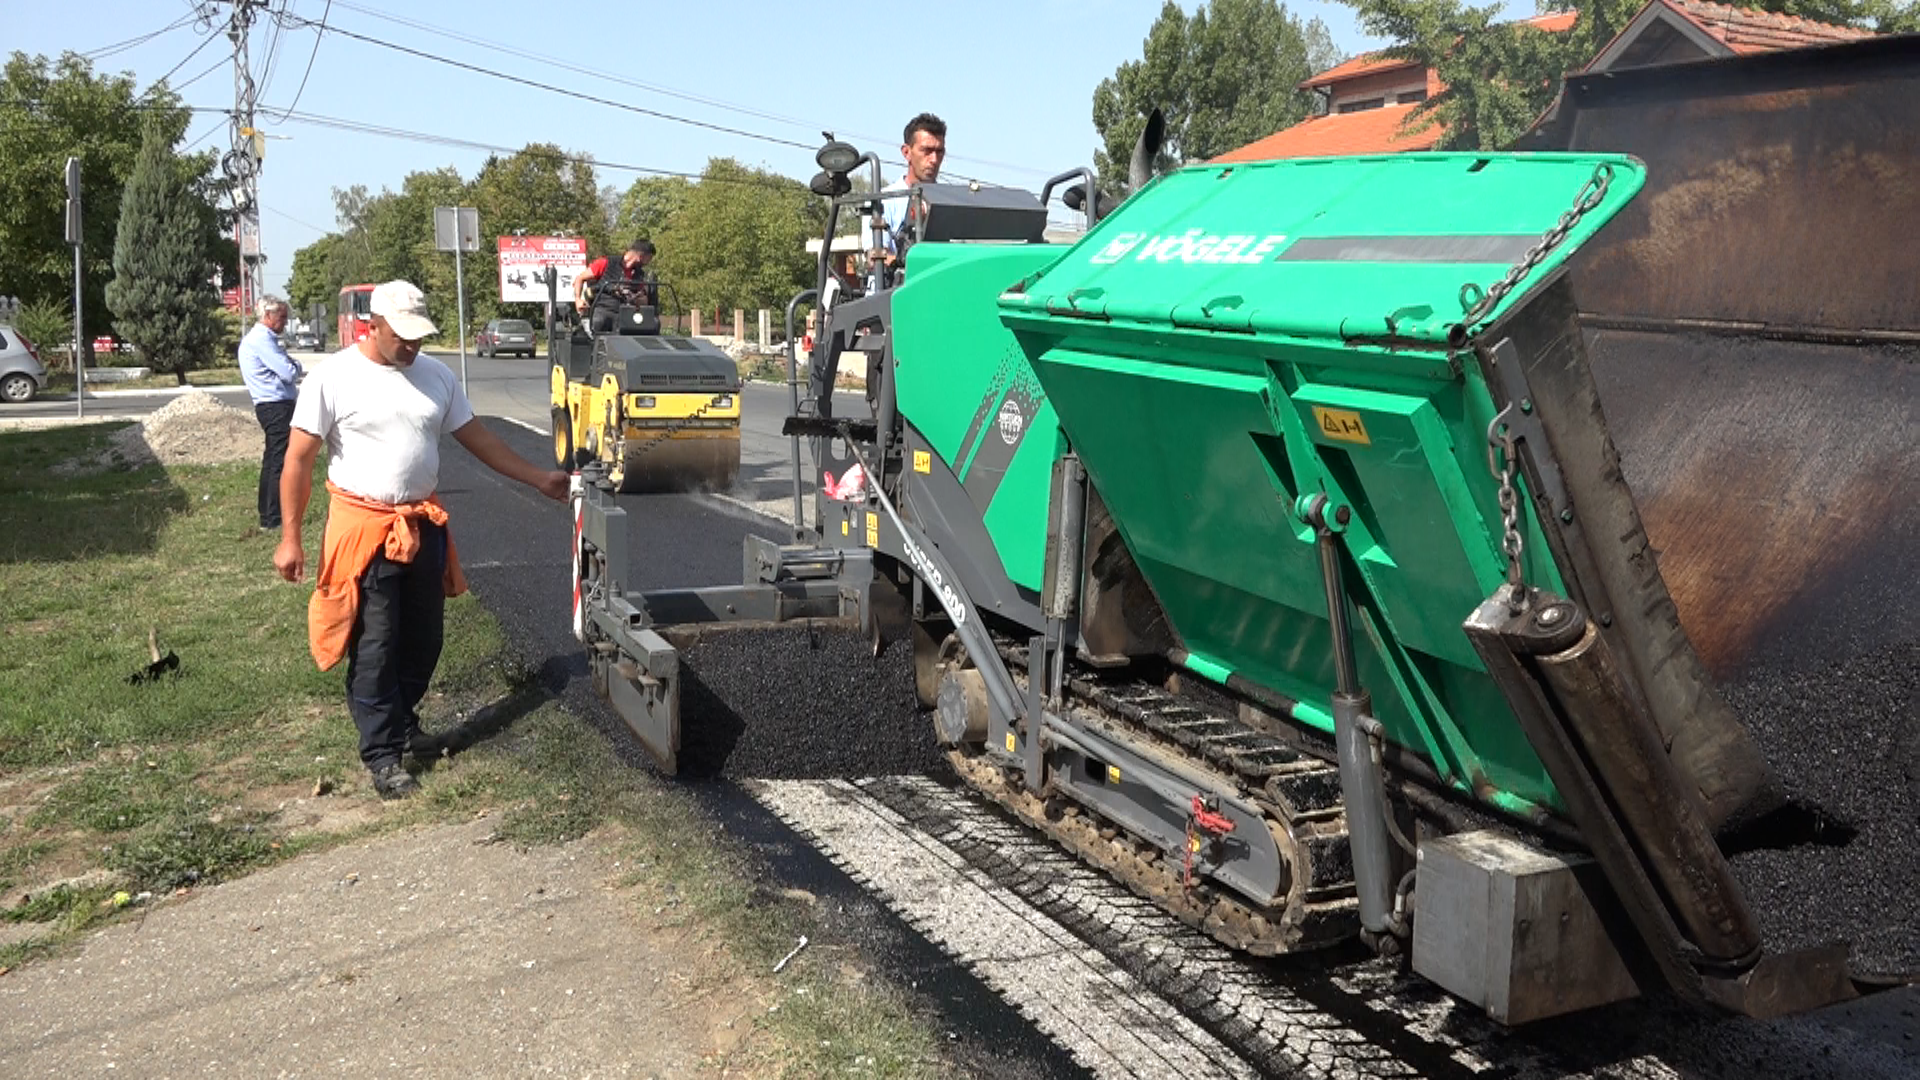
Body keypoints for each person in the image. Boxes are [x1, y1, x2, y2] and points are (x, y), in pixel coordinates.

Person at [273, 280, 569, 800]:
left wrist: (537, 477)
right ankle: (382, 753)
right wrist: (290, 537)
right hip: (364, 529)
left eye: (419, 337)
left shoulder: (436, 376)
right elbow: (297, 459)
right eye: (401, 336)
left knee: (425, 637)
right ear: (373, 325)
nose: (411, 346)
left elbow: (479, 439)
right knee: (376, 642)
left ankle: (405, 725)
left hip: (422, 526)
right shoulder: (334, 379)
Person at [239, 296, 303, 530]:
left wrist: (291, 365)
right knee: (279, 461)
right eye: (282, 317)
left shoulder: (262, 340)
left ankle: (268, 514)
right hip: (275, 405)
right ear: (267, 316)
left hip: (271, 404)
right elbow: (288, 371)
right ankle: (274, 516)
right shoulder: (261, 340)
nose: (285, 323)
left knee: (271, 460)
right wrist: (295, 366)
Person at [871, 113, 946, 288]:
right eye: (926, 151)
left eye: (939, 151)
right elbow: (874, 258)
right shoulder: (882, 201)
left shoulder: (949, 201)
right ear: (907, 152)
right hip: (893, 297)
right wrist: (904, 263)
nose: (934, 160)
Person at [574, 240, 658, 332]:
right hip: (602, 309)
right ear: (641, 256)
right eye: (649, 259)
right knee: (598, 323)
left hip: (624, 315)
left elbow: (643, 300)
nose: (648, 263)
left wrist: (638, 298)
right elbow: (579, 279)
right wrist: (578, 299)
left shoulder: (639, 274)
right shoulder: (606, 263)